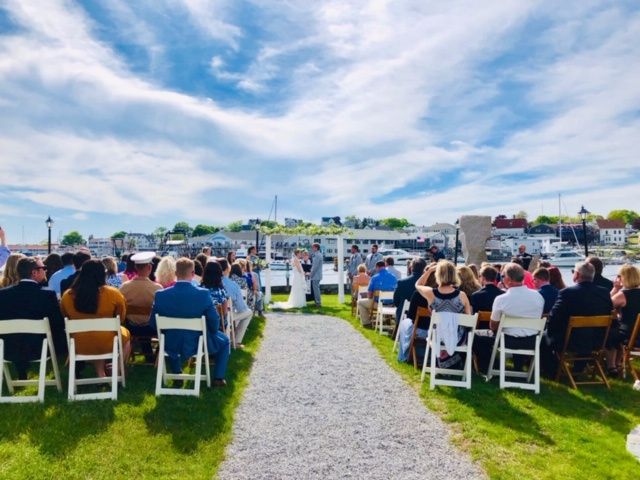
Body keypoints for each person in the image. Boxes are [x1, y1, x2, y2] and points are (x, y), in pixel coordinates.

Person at [150, 258, 229, 386]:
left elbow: (153, 323)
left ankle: (177, 374)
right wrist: (212, 332)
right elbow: (214, 321)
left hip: (170, 343)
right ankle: (218, 378)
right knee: (225, 341)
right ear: (193, 274)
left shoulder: (160, 295)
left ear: (175, 273)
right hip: (197, 342)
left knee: (174, 336)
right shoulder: (203, 294)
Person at [60, 260, 131, 378]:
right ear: (102, 275)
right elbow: (121, 317)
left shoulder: (67, 296)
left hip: (78, 343)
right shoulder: (113, 294)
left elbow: (66, 316)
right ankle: (117, 369)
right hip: (108, 342)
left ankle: (100, 373)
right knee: (126, 336)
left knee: (97, 334)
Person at [0, 257, 67, 379]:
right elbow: (57, 323)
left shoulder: (3, 294)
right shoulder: (47, 294)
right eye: (43, 268)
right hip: (40, 348)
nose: (46, 271)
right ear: (34, 272)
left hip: (8, 348)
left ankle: (21, 371)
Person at [542, 262, 613, 377]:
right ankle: (579, 367)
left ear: (577, 275)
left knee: (544, 337)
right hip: (598, 340)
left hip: (570, 341)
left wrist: (549, 329)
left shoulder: (567, 293)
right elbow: (610, 315)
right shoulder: (604, 292)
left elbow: (554, 318)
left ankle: (551, 371)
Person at [474, 262, 544, 372]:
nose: (501, 279)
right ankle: (518, 368)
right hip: (532, 341)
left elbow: (493, 326)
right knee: (519, 332)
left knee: (475, 335)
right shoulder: (538, 297)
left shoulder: (502, 299)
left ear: (509, 279)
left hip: (507, 340)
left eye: (502, 276)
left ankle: (488, 367)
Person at [415, 260, 471, 368]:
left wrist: (429, 270)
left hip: (437, 337)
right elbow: (468, 319)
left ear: (438, 274)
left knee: (436, 331)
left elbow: (418, 284)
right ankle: (452, 364)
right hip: (458, 339)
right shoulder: (462, 295)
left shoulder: (430, 293)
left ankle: (441, 364)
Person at [120, 252, 162, 358]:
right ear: (149, 267)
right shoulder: (157, 288)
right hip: (151, 327)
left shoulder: (124, 287)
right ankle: (152, 355)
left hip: (130, 327)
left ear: (135, 267)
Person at [605, 264, 640, 374]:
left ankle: (612, 366)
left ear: (623, 278)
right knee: (617, 331)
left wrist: (615, 288)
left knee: (609, 334)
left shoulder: (624, 295)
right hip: (637, 334)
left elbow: (605, 305)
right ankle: (619, 363)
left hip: (632, 335)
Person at [220, 259, 253, 346]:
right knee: (248, 312)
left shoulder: (205, 283)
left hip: (209, 317)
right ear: (227, 269)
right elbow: (241, 308)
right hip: (226, 316)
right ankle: (236, 341)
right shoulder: (232, 284)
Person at [357, 260, 398, 325]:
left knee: (360, 302)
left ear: (377, 267)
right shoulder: (394, 277)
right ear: (385, 266)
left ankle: (366, 323)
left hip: (378, 304)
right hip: (391, 304)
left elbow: (369, 295)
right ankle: (386, 319)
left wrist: (370, 296)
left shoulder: (374, 278)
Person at [394, 258, 426, 324]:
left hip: (403, 316)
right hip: (423, 319)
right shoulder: (428, 283)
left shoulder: (401, 282)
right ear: (424, 268)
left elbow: (396, 302)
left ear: (411, 268)